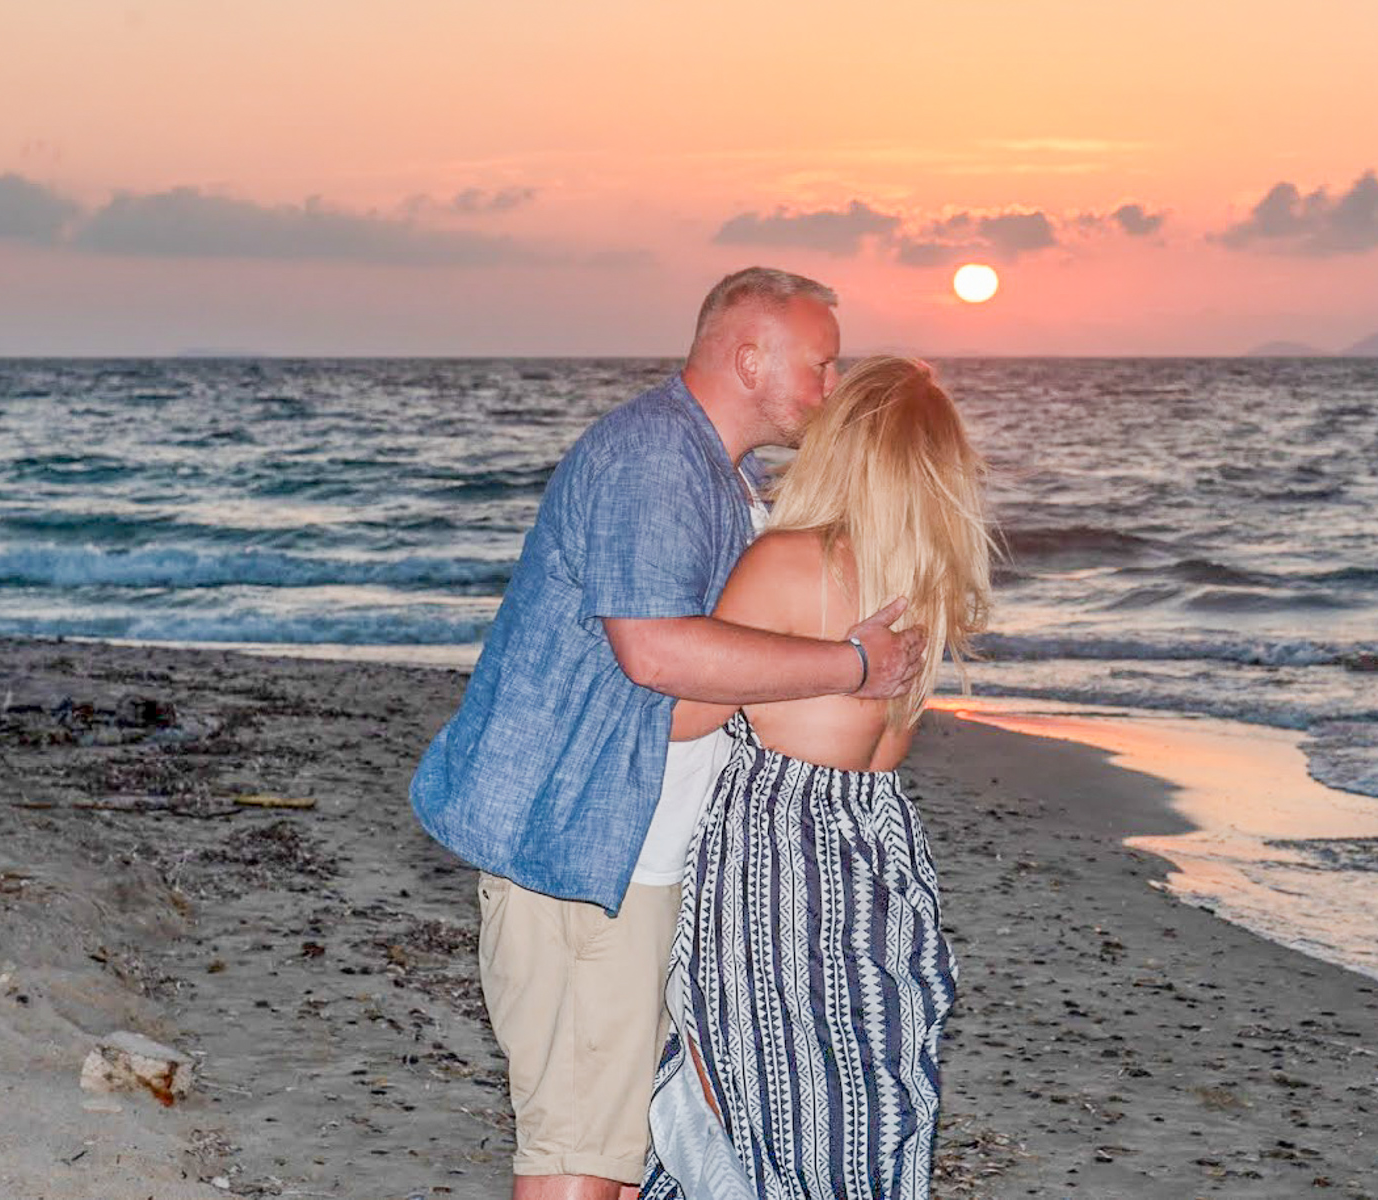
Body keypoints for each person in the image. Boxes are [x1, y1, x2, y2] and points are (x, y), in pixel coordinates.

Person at [409, 269, 929, 1200]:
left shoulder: (711, 473)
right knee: (580, 1151)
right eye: (819, 363)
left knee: (613, 1136)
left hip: (631, 857)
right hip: (586, 857)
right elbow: (655, 654)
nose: (829, 386)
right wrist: (853, 667)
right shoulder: (655, 459)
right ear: (748, 356)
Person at [641, 356, 993, 1200]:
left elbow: (685, 712)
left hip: (780, 837)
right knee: (852, 1081)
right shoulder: (925, 582)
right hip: (875, 839)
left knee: (747, 1072)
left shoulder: (791, 561)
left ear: (841, 449)